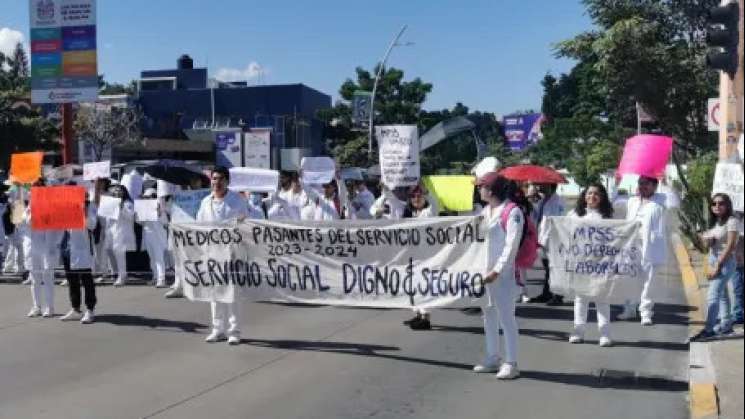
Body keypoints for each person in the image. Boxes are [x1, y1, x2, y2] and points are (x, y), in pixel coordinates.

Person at [473, 172, 524, 380]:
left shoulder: (512, 212)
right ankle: (493, 357)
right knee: (489, 315)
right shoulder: (486, 210)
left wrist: (497, 270)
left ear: (491, 189)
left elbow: (512, 245)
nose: (478, 190)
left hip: (502, 275)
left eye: (481, 186)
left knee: (506, 318)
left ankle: (511, 362)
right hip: (485, 273)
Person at [197, 166, 251, 345]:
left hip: (232, 253)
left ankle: (234, 330)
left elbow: (245, 223)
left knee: (232, 293)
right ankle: (217, 329)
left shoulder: (237, 200)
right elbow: (199, 226)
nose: (216, 182)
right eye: (214, 179)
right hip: (212, 253)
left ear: (227, 181)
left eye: (220, 179)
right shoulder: (206, 202)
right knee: (215, 292)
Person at [566, 183, 615, 347]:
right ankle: (578, 331)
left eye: (596, 194)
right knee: (580, 299)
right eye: (589, 193)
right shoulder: (574, 215)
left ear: (601, 197)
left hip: (600, 265)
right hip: (580, 264)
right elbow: (564, 232)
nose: (592, 197)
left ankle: (605, 334)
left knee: (602, 299)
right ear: (584, 196)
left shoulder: (607, 217)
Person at [689, 194, 740, 341]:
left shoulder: (732, 221)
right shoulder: (716, 223)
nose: (717, 206)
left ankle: (709, 329)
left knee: (713, 295)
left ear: (727, 205)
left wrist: (717, 265)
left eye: (721, 203)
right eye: (714, 204)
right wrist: (704, 239)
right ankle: (726, 324)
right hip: (713, 260)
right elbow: (707, 246)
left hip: (724, 262)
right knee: (722, 294)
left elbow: (730, 246)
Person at [618, 176, 667, 325]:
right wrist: (616, 183)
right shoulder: (632, 201)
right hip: (632, 245)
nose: (642, 186)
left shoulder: (662, 200)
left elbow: (675, 200)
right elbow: (614, 200)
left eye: (646, 184)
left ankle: (645, 312)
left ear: (654, 186)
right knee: (630, 278)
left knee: (648, 281)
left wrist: (665, 182)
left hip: (651, 246)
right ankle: (629, 309)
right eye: (640, 183)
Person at [23, 180, 64, 318]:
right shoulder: (29, 205)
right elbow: (25, 222)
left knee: (48, 278)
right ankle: (36, 307)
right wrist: (32, 210)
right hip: (33, 246)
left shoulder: (52, 205)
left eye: (38, 188)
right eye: (33, 189)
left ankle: (50, 307)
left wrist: (55, 243)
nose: (35, 191)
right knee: (35, 278)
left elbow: (60, 227)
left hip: (47, 247)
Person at [401, 184, 438, 330]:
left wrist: (426, 192)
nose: (416, 198)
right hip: (411, 255)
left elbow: (435, 204)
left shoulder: (429, 213)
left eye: (419, 196)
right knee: (411, 286)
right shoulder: (408, 215)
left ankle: (426, 318)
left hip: (426, 256)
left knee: (424, 286)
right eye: (413, 196)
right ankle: (417, 313)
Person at [60, 187, 98, 324]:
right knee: (72, 280)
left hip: (82, 248)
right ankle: (75, 308)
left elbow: (92, 225)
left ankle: (90, 309)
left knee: (86, 279)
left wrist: (84, 211)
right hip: (67, 248)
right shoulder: (67, 207)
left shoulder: (89, 206)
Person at [530, 182, 566, 305]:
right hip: (542, 238)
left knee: (555, 267)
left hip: (553, 239)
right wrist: (533, 202)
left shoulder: (557, 201)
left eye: (542, 185)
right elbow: (537, 217)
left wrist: (544, 239)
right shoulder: (544, 200)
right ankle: (546, 293)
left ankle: (558, 295)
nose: (539, 187)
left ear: (550, 186)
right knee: (547, 268)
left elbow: (555, 222)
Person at [101, 184, 136, 287]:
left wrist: (121, 208)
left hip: (121, 232)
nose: (117, 192)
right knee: (111, 253)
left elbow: (131, 217)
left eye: (119, 191)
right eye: (115, 191)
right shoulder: (110, 203)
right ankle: (114, 273)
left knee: (120, 254)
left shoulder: (127, 203)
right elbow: (105, 218)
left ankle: (122, 276)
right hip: (111, 232)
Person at [139, 188, 169, 288]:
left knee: (159, 258)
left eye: (149, 197)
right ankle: (155, 277)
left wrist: (159, 213)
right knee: (152, 258)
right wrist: (139, 212)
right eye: (146, 197)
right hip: (148, 235)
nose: (147, 199)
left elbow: (165, 223)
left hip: (157, 236)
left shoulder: (161, 209)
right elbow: (139, 222)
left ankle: (162, 279)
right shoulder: (144, 208)